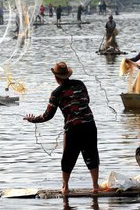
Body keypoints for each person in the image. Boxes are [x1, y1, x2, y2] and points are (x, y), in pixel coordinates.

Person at [23, 62, 100, 195]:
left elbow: (47, 116)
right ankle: (95, 186)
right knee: (92, 155)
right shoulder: (80, 84)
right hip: (90, 125)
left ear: (56, 77)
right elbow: (86, 100)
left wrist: (33, 119)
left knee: (68, 157)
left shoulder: (56, 93)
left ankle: (65, 187)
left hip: (73, 128)